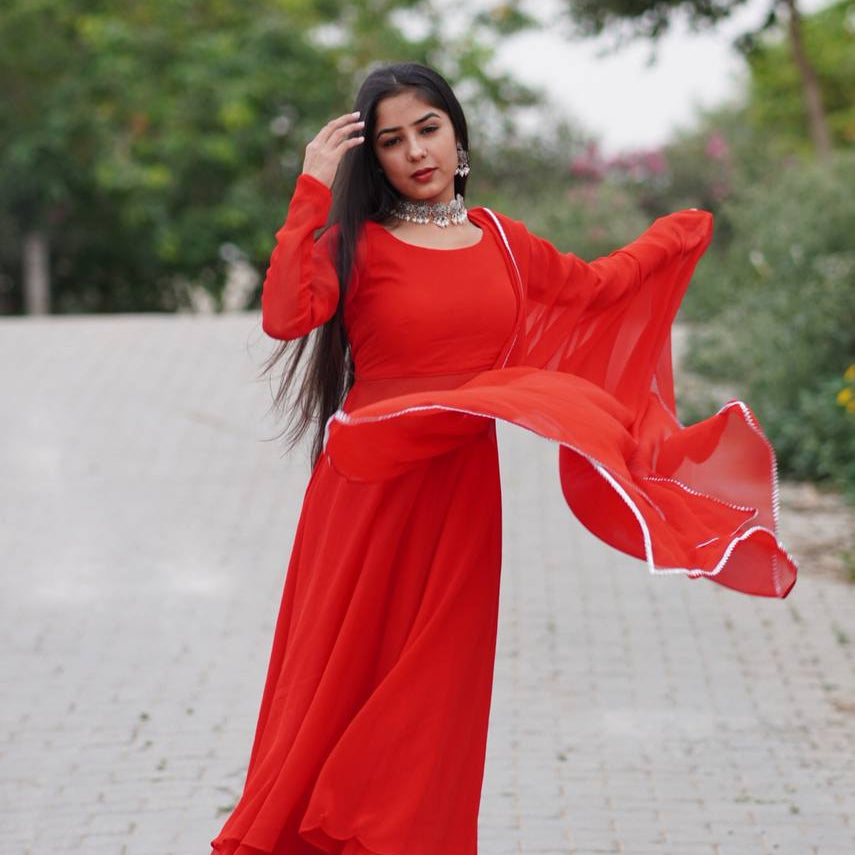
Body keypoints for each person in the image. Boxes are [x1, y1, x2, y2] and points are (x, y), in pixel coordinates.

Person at [209, 61, 798, 855]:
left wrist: (670, 237)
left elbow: (596, 288)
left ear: (458, 137)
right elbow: (286, 314)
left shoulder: (504, 244)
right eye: (391, 141)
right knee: (339, 679)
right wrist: (312, 187)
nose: (415, 152)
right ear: (372, 159)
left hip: (458, 492)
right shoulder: (358, 246)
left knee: (433, 690)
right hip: (368, 490)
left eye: (428, 129)